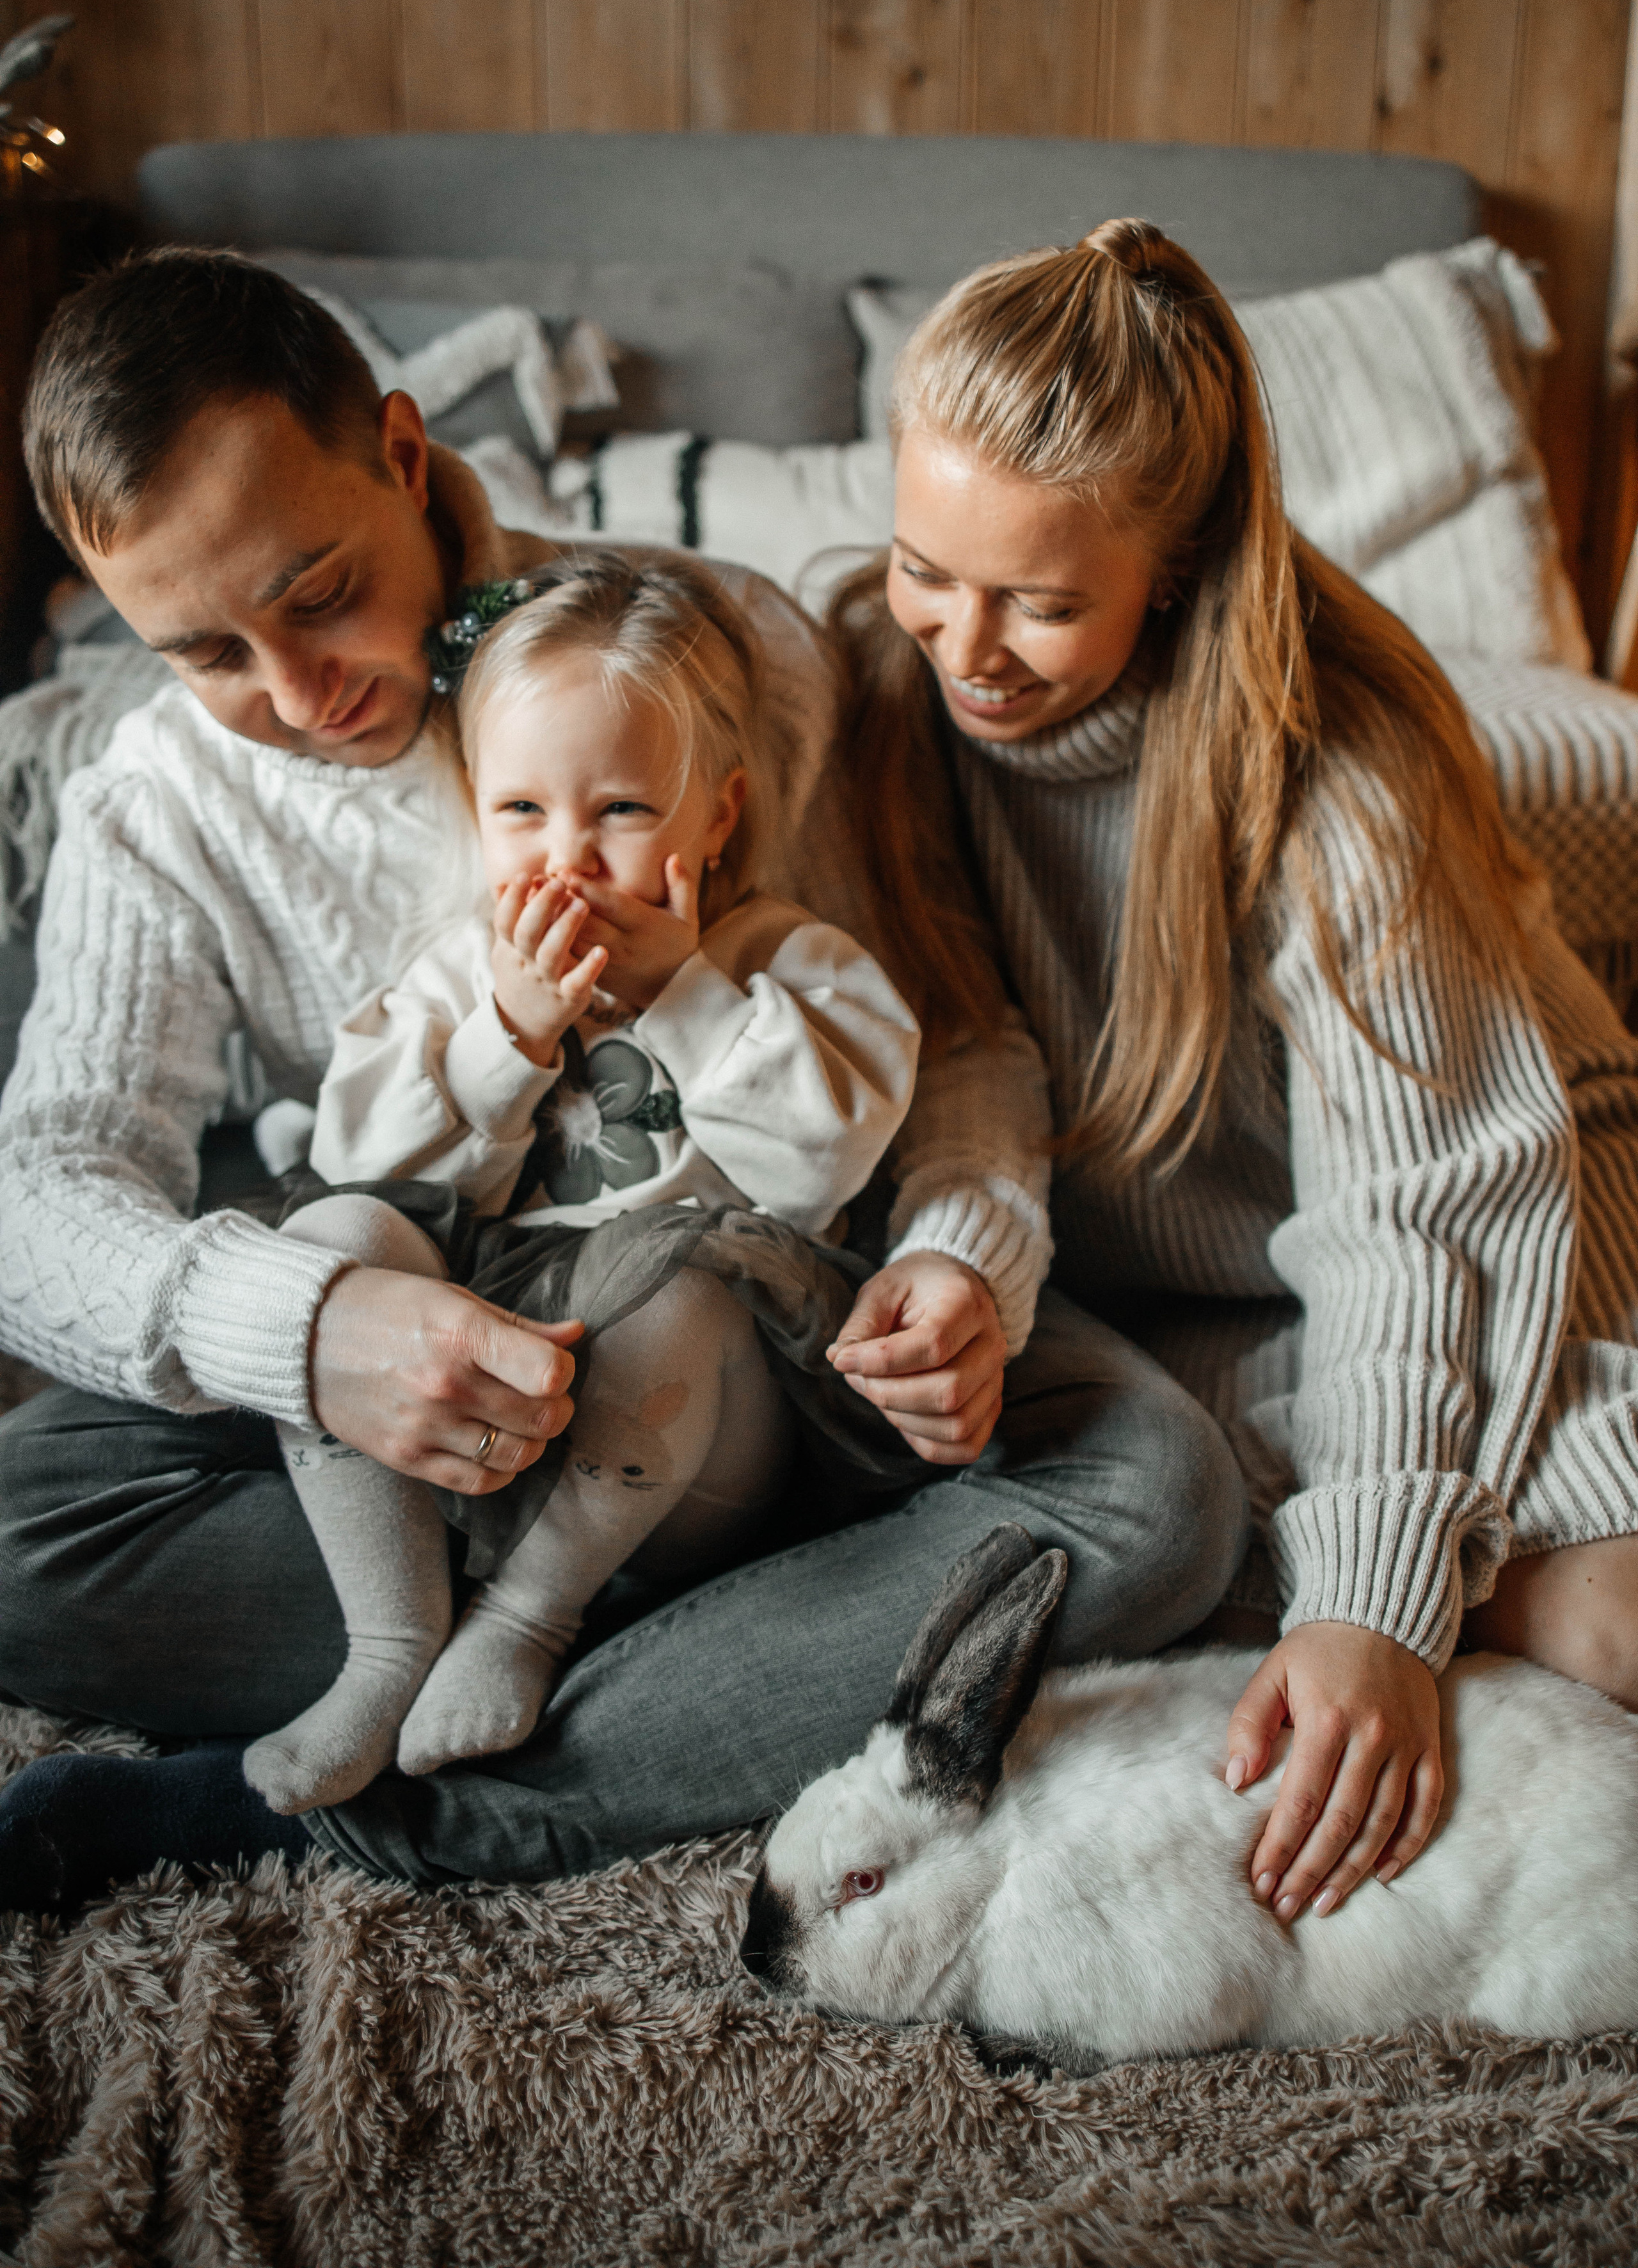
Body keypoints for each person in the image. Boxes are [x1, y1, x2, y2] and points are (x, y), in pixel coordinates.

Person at [0, 248, 1243, 1912]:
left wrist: (964, 1259)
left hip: (769, 1303)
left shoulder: (722, 655)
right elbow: (44, 1185)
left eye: (316, 593)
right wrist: (316, 1336)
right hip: (435, 1331)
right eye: (207, 654)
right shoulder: (158, 798)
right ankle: (686, 1629)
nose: (298, 698)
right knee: (22, 1528)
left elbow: (947, 1033)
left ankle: (352, 1794)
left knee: (1157, 1493)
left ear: (400, 447)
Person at [825, 216, 1638, 1937]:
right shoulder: (868, 684)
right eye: (924, 567)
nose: (964, 644)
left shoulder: (1340, 779)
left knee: (1603, 1617)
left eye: (1042, 602)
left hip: (1491, 1226)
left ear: (1176, 566)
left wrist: (1378, 1600)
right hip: (1194, 1290)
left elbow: (1416, 1212)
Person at [248, 552, 921, 1814]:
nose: (566, 859)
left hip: (698, 1436)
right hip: (478, 1404)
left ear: (713, 818)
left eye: (618, 811)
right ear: (475, 808)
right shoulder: (462, 971)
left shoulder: (787, 964)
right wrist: (504, 1040)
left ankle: (524, 1619)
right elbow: (372, 1170)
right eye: (521, 814)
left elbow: (819, 1162)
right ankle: (389, 1647)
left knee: (676, 1283)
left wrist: (684, 992)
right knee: (325, 1247)